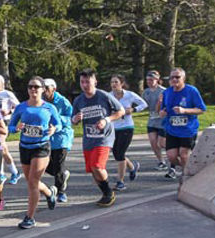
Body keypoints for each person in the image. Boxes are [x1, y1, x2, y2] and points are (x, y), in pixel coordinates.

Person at [8, 78, 61, 228]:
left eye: (36, 87)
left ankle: (29, 217)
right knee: (32, 182)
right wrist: (16, 128)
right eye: (30, 86)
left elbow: (58, 124)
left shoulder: (49, 108)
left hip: (41, 147)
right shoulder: (21, 107)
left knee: (32, 182)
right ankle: (50, 193)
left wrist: (53, 129)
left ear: (43, 89)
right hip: (25, 147)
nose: (33, 89)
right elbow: (10, 127)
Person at [72, 68, 126, 207]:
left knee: (97, 165)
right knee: (92, 170)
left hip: (104, 138)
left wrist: (106, 120)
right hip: (89, 139)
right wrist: (76, 119)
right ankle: (105, 193)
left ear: (95, 82)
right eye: (82, 82)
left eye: (88, 82)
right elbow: (73, 120)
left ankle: (109, 192)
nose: (85, 85)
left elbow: (121, 111)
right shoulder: (79, 100)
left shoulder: (103, 96)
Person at [160, 67, 206, 179]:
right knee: (171, 157)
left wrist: (185, 111)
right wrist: (162, 112)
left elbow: (201, 109)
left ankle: (187, 178)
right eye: (172, 77)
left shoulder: (191, 91)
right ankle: (190, 169)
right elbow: (163, 109)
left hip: (188, 129)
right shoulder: (167, 92)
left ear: (183, 78)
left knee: (184, 155)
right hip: (172, 129)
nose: (174, 79)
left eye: (177, 77)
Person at [108, 75, 146, 191]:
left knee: (120, 154)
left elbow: (144, 104)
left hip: (127, 127)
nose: (114, 84)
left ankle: (120, 182)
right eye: (112, 82)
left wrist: (133, 110)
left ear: (122, 83)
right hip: (114, 128)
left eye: (116, 82)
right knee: (116, 153)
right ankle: (132, 166)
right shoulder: (108, 96)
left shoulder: (130, 95)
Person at [41, 78, 73, 203]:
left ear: (53, 88)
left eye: (47, 88)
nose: (44, 91)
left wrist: (56, 119)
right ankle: (63, 175)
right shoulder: (40, 101)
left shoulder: (63, 101)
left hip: (61, 137)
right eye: (42, 88)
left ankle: (60, 192)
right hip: (47, 137)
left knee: (58, 165)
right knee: (46, 166)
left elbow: (71, 118)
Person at [0, 74, 22, 185]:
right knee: (1, 149)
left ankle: (6, 173)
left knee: (1, 146)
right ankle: (11, 172)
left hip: (4, 122)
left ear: (2, 83)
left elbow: (19, 106)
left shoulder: (7, 94)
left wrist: (9, 111)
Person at [141, 70, 169, 171]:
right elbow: (143, 105)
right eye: (147, 80)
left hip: (162, 120)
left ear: (157, 80)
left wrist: (163, 109)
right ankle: (161, 161)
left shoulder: (164, 91)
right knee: (153, 142)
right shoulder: (146, 92)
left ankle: (173, 157)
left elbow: (169, 104)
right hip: (152, 120)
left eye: (151, 79)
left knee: (162, 143)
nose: (149, 82)